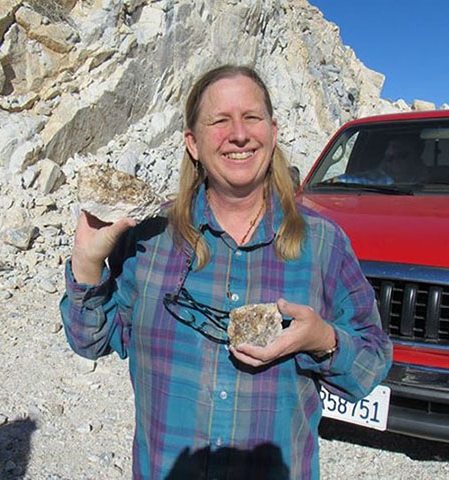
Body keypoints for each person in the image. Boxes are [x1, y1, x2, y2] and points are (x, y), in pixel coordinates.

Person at [60, 65, 393, 479]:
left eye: (251, 117)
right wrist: (87, 264)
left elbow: (372, 365)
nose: (239, 134)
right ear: (193, 143)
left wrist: (323, 340)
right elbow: (90, 341)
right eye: (219, 121)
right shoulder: (149, 238)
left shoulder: (323, 244)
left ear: (272, 132)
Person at [333, 135, 426, 185]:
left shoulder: (433, 182)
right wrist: (333, 182)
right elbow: (345, 180)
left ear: (415, 154)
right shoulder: (373, 179)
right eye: (389, 149)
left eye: (401, 152)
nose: (391, 153)